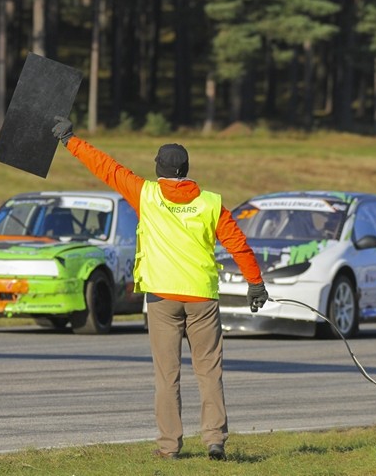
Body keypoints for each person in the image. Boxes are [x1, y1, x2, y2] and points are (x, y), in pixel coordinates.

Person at [51, 116, 268, 461]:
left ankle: (169, 446)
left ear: (158, 169)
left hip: (163, 297)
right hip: (201, 298)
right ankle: (214, 440)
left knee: (167, 375)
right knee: (209, 371)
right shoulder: (211, 203)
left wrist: (70, 140)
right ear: (187, 169)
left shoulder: (146, 194)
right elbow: (238, 243)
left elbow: (105, 167)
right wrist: (255, 283)